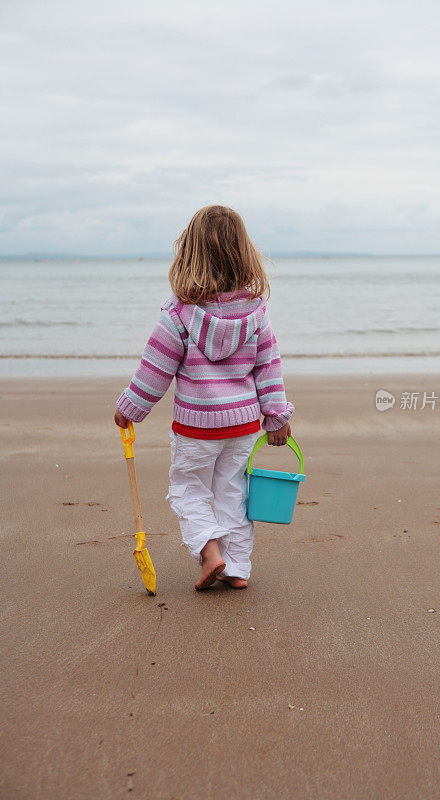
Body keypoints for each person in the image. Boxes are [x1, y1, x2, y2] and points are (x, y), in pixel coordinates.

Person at [114, 205, 294, 591]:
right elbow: (268, 369)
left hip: (196, 427)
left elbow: (155, 370)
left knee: (187, 489)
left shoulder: (178, 314)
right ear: (243, 255)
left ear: (190, 254)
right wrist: (276, 416)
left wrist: (131, 407)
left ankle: (211, 552)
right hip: (243, 424)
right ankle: (238, 568)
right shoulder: (257, 315)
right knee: (233, 493)